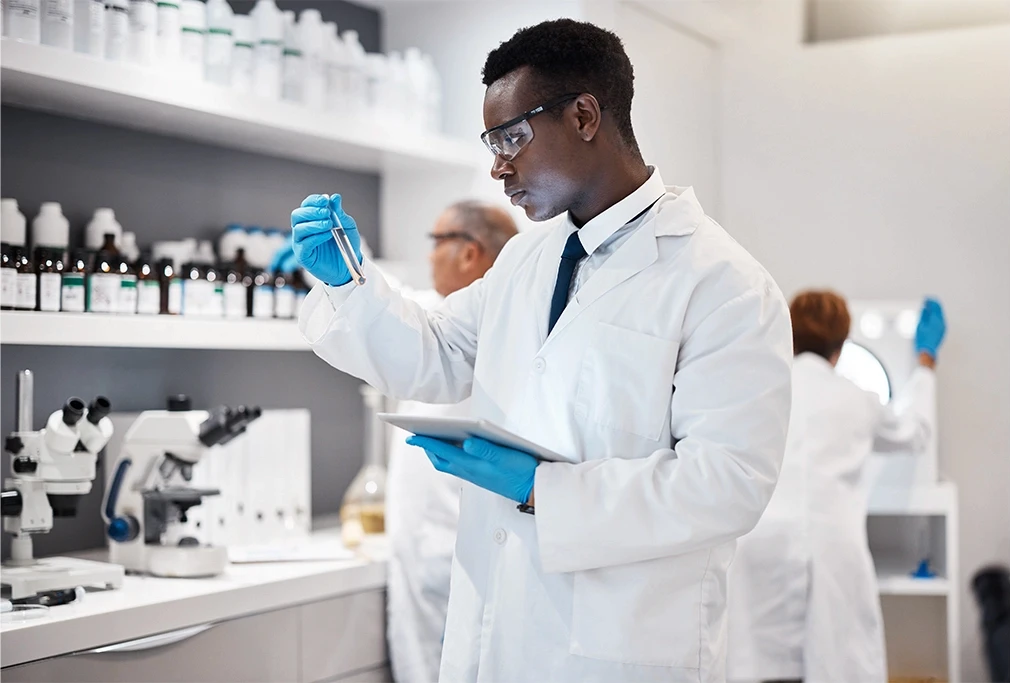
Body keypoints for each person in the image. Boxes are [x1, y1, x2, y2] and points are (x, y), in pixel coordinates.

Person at [293, 19, 793, 682]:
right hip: (500, 633)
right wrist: (350, 286)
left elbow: (726, 485)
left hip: (621, 651)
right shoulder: (524, 260)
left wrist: (542, 490)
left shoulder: (722, 283)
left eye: (511, 137)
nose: (497, 166)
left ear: (584, 116)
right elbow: (438, 351)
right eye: (492, 143)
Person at [726, 291, 947, 683]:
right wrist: (926, 361)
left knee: (756, 666)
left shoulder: (757, 392)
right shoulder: (858, 398)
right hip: (832, 548)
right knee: (837, 665)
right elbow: (915, 433)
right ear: (841, 345)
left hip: (758, 543)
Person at [385, 201, 518, 683]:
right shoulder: (445, 315)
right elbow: (388, 305)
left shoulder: (486, 325)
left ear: (469, 253)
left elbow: (393, 312)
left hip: (453, 551)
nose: (429, 256)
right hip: (430, 548)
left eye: (436, 242)